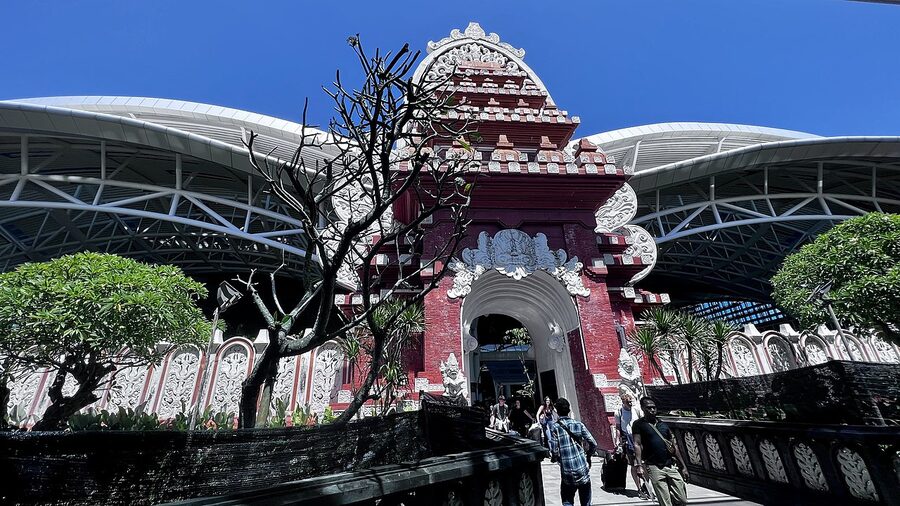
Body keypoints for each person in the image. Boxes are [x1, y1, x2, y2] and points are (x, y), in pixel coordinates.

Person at [633, 397, 690, 506]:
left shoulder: (663, 424)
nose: (652, 410)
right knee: (665, 502)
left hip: (670, 465)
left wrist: (683, 467)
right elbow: (637, 444)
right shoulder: (639, 424)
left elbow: (674, 446)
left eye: (654, 407)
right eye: (649, 408)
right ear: (643, 408)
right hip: (654, 467)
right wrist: (639, 465)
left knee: (682, 499)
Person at [550, 398, 597, 506]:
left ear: (557, 411)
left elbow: (554, 450)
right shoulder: (578, 424)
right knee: (586, 501)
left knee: (567, 500)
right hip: (581, 467)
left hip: (567, 471)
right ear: (569, 410)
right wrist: (588, 455)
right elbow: (593, 443)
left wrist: (555, 458)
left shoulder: (555, 427)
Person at [615, 393, 651, 499]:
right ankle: (639, 489)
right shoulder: (619, 412)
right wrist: (617, 441)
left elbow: (644, 423)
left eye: (631, 401)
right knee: (634, 466)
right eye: (628, 402)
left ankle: (645, 485)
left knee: (644, 464)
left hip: (639, 439)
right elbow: (618, 427)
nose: (630, 403)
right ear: (623, 402)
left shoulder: (636, 410)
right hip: (628, 440)